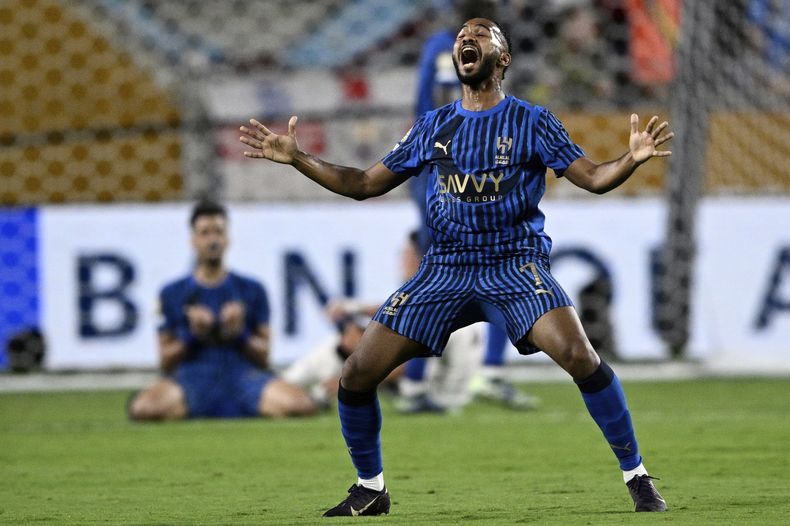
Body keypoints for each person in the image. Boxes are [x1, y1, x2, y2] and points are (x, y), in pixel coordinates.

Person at [239, 17, 673, 515]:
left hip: (514, 264)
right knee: (356, 372)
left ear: (503, 58)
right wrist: (299, 159)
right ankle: (371, 488)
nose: (467, 38)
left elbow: (593, 178)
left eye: (481, 33)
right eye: (463, 35)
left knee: (579, 354)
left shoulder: (532, 121)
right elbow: (362, 183)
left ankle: (637, 476)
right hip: (444, 269)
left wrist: (630, 159)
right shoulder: (433, 126)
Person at [412, 0, 537, 411]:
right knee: (501, 260)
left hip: (441, 167)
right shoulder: (486, 46)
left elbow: (421, 108)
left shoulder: (439, 46)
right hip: (469, 164)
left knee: (437, 268)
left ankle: (420, 381)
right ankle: (486, 371)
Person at [129, 201, 316, 420]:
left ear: (228, 238)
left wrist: (239, 334)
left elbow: (264, 357)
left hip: (243, 376)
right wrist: (193, 336)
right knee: (144, 409)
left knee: (300, 405)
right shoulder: (171, 293)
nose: (212, 240)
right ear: (193, 240)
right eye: (205, 233)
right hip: (192, 377)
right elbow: (165, 361)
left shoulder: (252, 289)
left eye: (218, 232)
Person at [326, 231, 485, 413]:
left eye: (407, 254)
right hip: (446, 383)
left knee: (392, 334)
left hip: (443, 393)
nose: (402, 260)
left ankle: (414, 391)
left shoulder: (437, 288)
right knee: (361, 337)